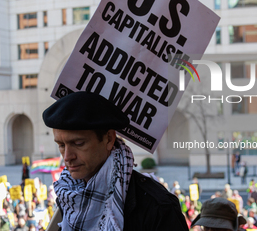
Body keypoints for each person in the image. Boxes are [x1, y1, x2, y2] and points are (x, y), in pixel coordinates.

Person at [43, 91, 188, 231]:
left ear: (109, 139)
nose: (67, 156)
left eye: (79, 143)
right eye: (61, 145)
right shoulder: (67, 197)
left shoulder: (158, 208)